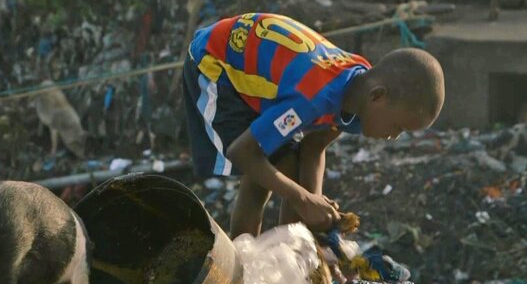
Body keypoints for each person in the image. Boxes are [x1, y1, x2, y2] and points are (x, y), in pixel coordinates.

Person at [182, 13, 444, 238]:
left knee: (286, 170)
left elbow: (314, 147)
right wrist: (304, 199)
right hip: (216, 64)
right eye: (398, 127)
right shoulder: (314, 98)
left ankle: (293, 255)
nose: (394, 136)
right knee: (270, 168)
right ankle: (243, 261)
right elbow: (243, 152)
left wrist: (315, 208)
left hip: (266, 77)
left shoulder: (358, 91)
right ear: (378, 97)